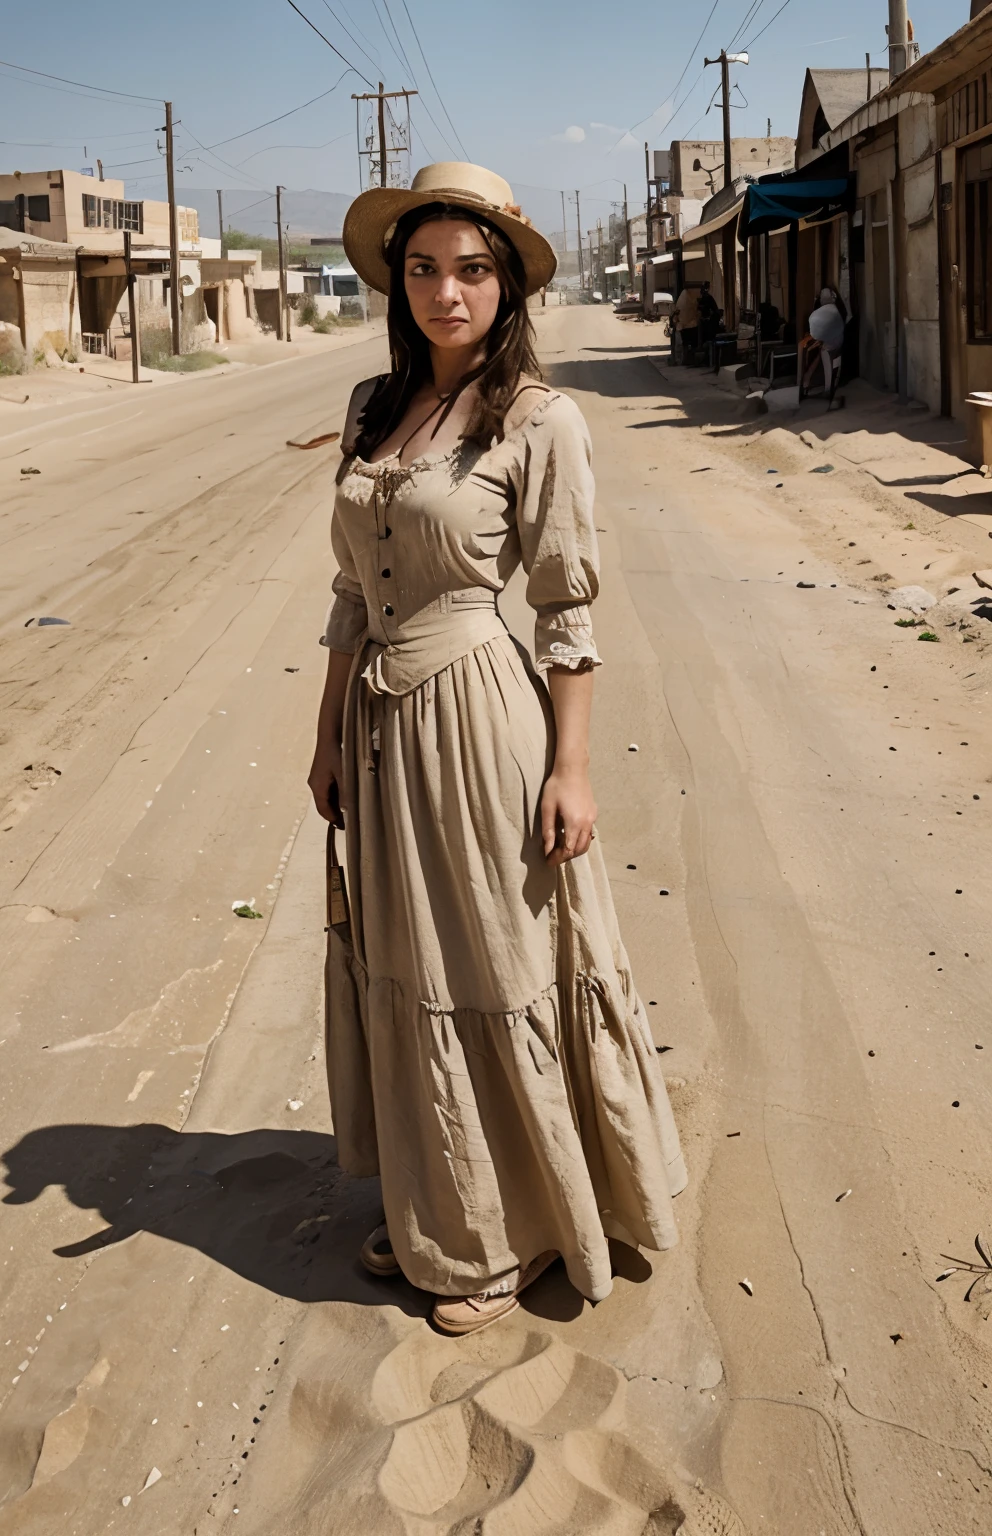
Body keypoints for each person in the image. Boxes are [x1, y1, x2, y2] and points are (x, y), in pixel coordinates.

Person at [308, 161, 686, 1337]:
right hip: (380, 732)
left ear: (507, 285)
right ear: (397, 282)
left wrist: (570, 769)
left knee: (493, 969)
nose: (445, 291)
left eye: (470, 270)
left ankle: (511, 1234)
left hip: (479, 726)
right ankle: (442, 1206)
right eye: (422, 269)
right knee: (410, 967)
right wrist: (326, 728)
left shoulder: (538, 420)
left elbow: (567, 611)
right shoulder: (377, 405)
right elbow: (346, 590)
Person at [800, 286, 845, 397]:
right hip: (838, 340)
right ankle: (812, 380)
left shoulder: (822, 311)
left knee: (822, 351)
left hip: (830, 343)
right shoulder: (836, 308)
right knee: (819, 351)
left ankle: (827, 387)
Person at [671, 282, 700, 363]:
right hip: (692, 326)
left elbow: (675, 316)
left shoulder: (681, 301)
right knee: (693, 344)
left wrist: (676, 322)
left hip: (683, 328)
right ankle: (692, 359)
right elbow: (697, 313)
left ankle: (684, 360)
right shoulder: (692, 301)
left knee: (684, 344)